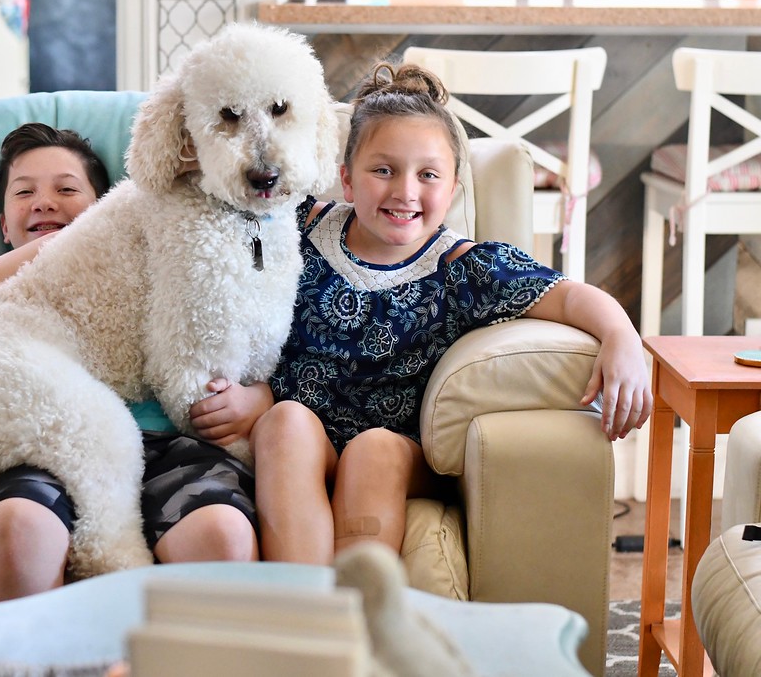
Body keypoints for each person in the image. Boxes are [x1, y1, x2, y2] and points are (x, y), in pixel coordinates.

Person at [188, 63, 653, 565]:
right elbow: (228, 282)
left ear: (452, 190)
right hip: (306, 438)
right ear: (346, 180)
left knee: (372, 450)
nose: (405, 191)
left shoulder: (465, 268)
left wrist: (622, 339)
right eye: (382, 170)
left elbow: (569, 295)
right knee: (282, 422)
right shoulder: (297, 231)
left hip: (400, 452)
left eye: (427, 175)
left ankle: (357, 607)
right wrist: (255, 394)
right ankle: (306, 608)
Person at [0, 122, 258, 604]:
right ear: (2, 225)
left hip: (178, 444)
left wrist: (255, 398)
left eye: (66, 189)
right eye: (25, 193)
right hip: (50, 446)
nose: (44, 202)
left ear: (106, 208)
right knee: (21, 527)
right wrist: (62, 245)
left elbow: (255, 329)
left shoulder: (166, 260)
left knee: (222, 538)